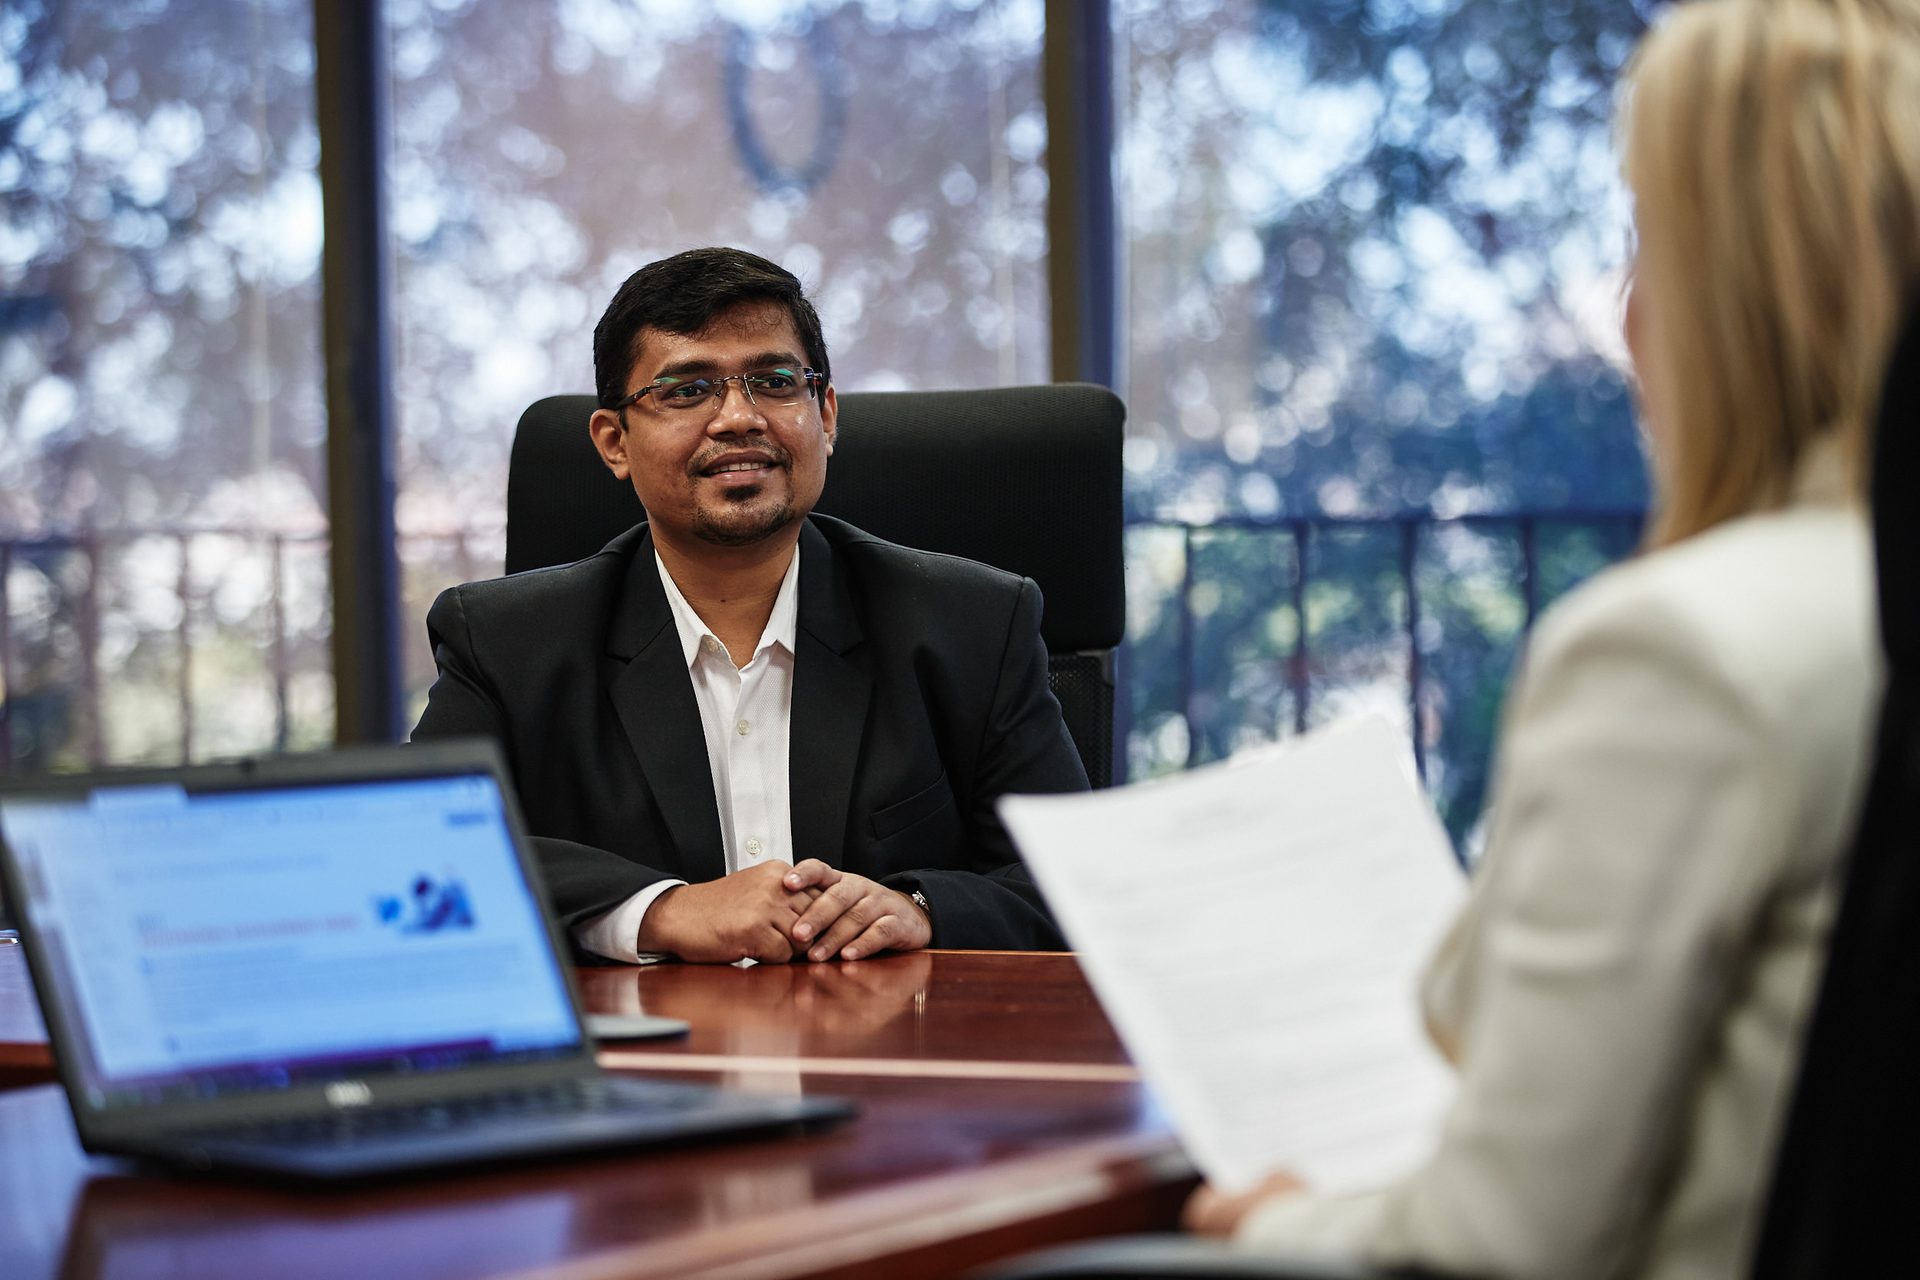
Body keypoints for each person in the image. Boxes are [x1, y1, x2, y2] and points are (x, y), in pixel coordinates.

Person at [1185, 0, 1918, 1275]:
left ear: (1728, 289)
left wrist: (1277, 1223)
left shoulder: (1685, 652)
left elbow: (1499, 1243)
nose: (1626, 313)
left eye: (1649, 241)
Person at [411, 247, 1087, 964]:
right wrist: (661, 912)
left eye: (773, 381)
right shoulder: (509, 644)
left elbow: (1079, 882)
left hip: (891, 1060)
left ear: (824, 415)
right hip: (644, 1065)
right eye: (686, 390)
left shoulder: (971, 624)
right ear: (614, 442)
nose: (738, 417)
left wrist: (920, 909)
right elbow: (411, 847)